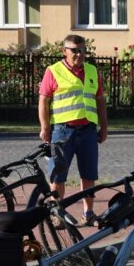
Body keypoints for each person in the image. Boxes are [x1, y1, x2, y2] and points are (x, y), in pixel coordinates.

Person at [38, 35, 109, 223]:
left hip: (87, 131)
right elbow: (44, 100)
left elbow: (100, 101)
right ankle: (58, 214)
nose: (79, 54)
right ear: (64, 51)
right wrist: (45, 127)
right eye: (74, 50)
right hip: (62, 131)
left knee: (89, 174)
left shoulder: (92, 71)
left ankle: (88, 213)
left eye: (82, 50)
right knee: (58, 175)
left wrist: (104, 128)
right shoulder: (53, 71)